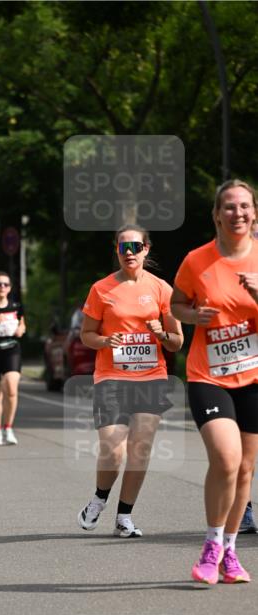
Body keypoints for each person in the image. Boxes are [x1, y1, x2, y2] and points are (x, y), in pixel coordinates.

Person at [171, 179, 258, 583]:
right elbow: (176, 304)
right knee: (225, 459)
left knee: (244, 470)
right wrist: (192, 317)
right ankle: (210, 544)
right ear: (216, 215)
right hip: (209, 374)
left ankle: (231, 553)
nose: (237, 213)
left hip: (254, 376)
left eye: (244, 206)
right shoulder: (197, 261)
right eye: (229, 207)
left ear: (254, 212)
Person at [76, 226, 183, 538]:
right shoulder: (101, 289)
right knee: (113, 448)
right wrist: (108, 340)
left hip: (151, 377)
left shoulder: (162, 288)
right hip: (112, 377)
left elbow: (177, 341)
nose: (130, 252)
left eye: (136, 246)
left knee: (141, 449)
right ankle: (99, 498)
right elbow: (87, 335)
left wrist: (162, 334)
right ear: (117, 251)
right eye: (124, 247)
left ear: (147, 249)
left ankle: (124, 517)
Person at [0, 271, 25, 445]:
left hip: (11, 349)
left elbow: (22, 323)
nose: (2, 287)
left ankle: (8, 427)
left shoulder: (16, 305)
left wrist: (21, 329)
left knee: (11, 388)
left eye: (6, 285)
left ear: (10, 288)